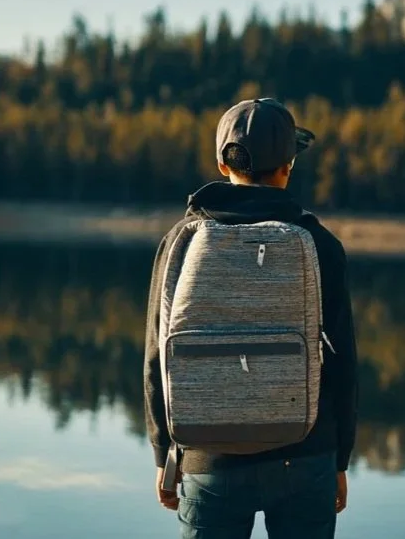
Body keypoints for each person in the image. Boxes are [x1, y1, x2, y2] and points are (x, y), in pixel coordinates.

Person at [143, 98, 359, 539]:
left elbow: (156, 357)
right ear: (288, 167)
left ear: (224, 164)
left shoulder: (181, 241)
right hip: (305, 456)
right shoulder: (318, 242)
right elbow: (343, 363)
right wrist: (339, 460)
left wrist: (165, 454)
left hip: (209, 460)